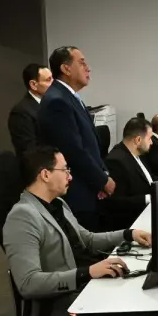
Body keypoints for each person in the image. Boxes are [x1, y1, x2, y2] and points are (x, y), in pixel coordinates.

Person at [3, 146, 152, 316]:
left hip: (85, 289)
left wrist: (128, 234)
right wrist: (87, 272)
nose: (70, 176)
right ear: (45, 175)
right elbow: (28, 283)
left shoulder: (57, 204)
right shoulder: (22, 218)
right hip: (63, 315)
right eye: (65, 170)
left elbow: (87, 240)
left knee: (142, 293)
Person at [37, 46, 115, 231]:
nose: (88, 68)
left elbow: (90, 144)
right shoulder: (57, 101)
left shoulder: (69, 97)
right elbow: (74, 151)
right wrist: (102, 180)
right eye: (82, 63)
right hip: (76, 193)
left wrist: (103, 174)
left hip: (88, 187)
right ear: (66, 68)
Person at [105, 118, 155, 229]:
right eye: (150, 138)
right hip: (134, 221)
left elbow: (148, 179)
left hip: (148, 210)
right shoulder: (116, 161)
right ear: (138, 140)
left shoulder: (138, 154)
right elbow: (116, 202)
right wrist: (149, 198)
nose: (151, 142)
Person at [8, 63, 53, 157]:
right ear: (33, 85)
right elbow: (29, 150)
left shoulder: (51, 105)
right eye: (48, 80)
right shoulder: (21, 112)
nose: (54, 84)